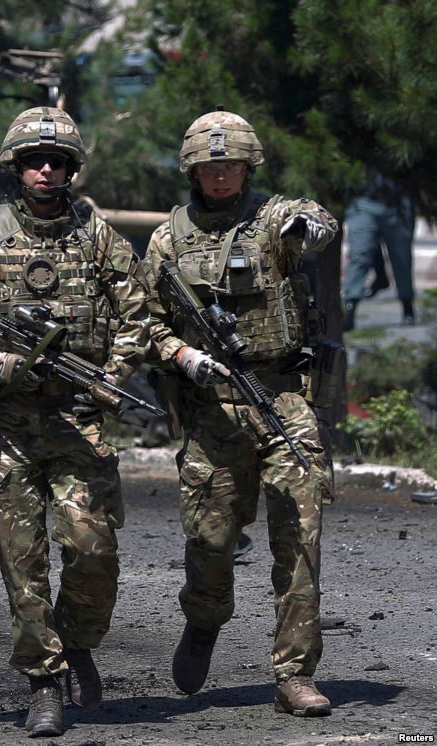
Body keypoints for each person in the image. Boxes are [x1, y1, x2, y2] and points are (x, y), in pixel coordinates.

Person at [0, 106, 149, 737]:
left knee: (93, 551)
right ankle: (44, 681)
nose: (47, 170)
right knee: (23, 563)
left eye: (58, 162)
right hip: (8, 428)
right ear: (16, 168)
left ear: (71, 169)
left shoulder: (98, 239)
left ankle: (78, 642)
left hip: (78, 423)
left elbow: (139, 315)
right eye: (35, 161)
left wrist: (112, 375)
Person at [140, 111, 338, 717]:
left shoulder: (274, 221)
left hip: (283, 401)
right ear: (192, 172)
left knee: (299, 540)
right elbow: (141, 323)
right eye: (208, 166)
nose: (220, 175)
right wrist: (183, 354)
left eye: (229, 164)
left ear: (248, 166)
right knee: (210, 543)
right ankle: (203, 622)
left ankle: (294, 675)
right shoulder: (167, 240)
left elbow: (317, 224)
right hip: (213, 412)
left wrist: (309, 226)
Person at [342, 171, 416, 329]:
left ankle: (407, 304)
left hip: (397, 198)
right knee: (359, 255)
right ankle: (350, 307)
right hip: (363, 200)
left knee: (401, 256)